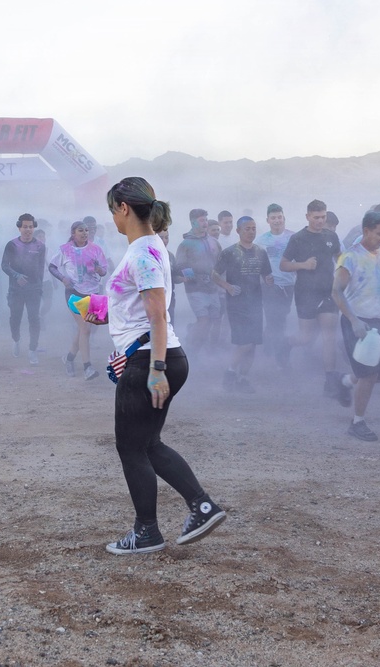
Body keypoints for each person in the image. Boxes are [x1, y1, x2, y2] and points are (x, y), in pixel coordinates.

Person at [87, 177, 226, 555]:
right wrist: (107, 314)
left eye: (112, 211)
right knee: (147, 443)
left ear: (123, 208)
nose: (112, 219)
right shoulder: (147, 249)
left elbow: (158, 315)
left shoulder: (144, 252)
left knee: (130, 448)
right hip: (151, 354)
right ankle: (202, 506)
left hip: (151, 359)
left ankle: (146, 531)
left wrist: (156, 369)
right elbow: (142, 309)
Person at [332, 211, 380, 441]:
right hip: (356, 321)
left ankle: (344, 381)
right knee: (369, 375)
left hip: (378, 320)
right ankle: (357, 422)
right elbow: (336, 291)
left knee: (378, 374)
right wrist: (354, 321)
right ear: (366, 230)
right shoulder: (349, 257)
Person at [278, 199, 348, 405]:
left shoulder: (331, 236)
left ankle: (330, 381)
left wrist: (345, 267)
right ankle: (286, 344)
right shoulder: (298, 238)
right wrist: (303, 265)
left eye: (323, 217)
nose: (320, 221)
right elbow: (283, 265)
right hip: (306, 293)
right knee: (307, 337)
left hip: (328, 293)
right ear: (307, 216)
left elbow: (339, 257)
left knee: (329, 336)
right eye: (316, 217)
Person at [212, 216, 273, 393]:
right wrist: (228, 287)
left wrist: (269, 280)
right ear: (238, 231)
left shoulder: (261, 252)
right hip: (237, 304)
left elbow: (266, 275)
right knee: (244, 343)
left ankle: (243, 379)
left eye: (254, 228)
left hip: (255, 303)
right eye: (247, 228)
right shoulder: (229, 252)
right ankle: (229, 372)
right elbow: (214, 275)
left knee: (253, 344)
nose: (251, 231)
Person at [49, 220, 108, 379]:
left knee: (87, 329)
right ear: (73, 233)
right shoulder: (65, 250)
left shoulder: (96, 249)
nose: (84, 233)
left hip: (94, 293)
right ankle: (88, 367)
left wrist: (98, 269)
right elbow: (52, 266)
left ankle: (68, 358)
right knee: (85, 328)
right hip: (74, 292)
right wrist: (62, 278)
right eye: (81, 230)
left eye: (86, 230)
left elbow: (103, 271)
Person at [1, 213, 47, 365]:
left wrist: (40, 287)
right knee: (15, 318)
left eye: (30, 227)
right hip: (16, 289)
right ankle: (16, 340)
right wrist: (16, 276)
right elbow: (4, 266)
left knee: (34, 318)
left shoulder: (40, 246)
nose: (28, 230)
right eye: (25, 227)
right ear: (19, 228)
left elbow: (41, 269)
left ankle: (32, 350)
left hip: (34, 289)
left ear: (34, 228)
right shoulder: (12, 245)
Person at [175, 208, 222, 354]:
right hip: (195, 288)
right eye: (202, 220)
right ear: (193, 222)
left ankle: (196, 341)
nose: (205, 223)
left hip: (213, 287)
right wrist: (191, 277)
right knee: (204, 320)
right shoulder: (186, 244)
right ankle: (192, 349)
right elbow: (181, 264)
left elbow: (221, 262)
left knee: (212, 320)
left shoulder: (213, 241)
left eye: (206, 220)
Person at [257, 204, 295, 364]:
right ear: (268, 220)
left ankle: (268, 341)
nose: (277, 220)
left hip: (289, 284)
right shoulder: (261, 241)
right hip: (270, 286)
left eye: (279, 217)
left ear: (284, 218)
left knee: (282, 316)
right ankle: (280, 356)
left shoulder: (294, 237)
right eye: (273, 218)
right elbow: (256, 264)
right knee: (275, 319)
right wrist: (263, 277)